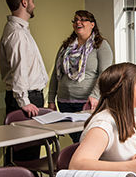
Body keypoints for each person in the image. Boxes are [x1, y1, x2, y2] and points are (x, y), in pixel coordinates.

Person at [0, 0, 48, 162]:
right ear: (24, 2)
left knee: (27, 150)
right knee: (24, 154)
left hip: (28, 97)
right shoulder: (17, 33)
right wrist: (24, 101)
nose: (34, 5)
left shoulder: (20, 30)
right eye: (32, 1)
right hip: (26, 99)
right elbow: (19, 69)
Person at [48, 10, 113, 142]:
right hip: (64, 102)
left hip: (87, 103)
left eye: (83, 20)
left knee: (86, 140)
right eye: (76, 20)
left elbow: (104, 74)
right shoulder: (66, 47)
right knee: (76, 141)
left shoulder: (100, 46)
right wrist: (50, 99)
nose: (78, 22)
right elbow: (56, 73)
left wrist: (95, 95)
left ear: (92, 24)